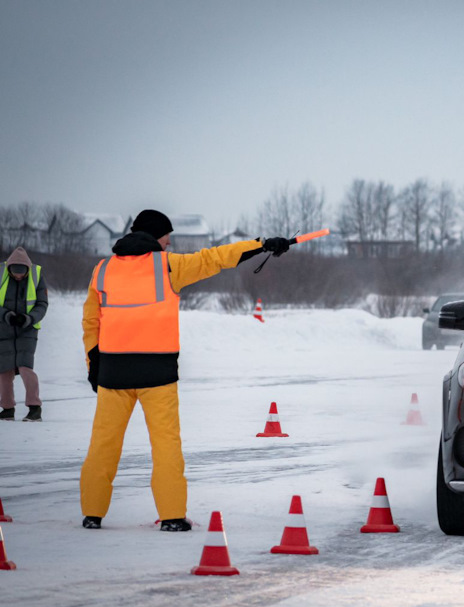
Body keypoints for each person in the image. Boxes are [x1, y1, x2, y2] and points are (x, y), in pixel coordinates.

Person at [80, 209, 293, 531]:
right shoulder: (167, 266)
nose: (169, 243)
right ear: (157, 236)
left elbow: (91, 322)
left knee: (103, 444)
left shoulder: (103, 269)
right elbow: (216, 258)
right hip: (157, 372)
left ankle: (92, 514)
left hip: (113, 371)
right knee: (166, 445)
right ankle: (172, 517)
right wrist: (262, 245)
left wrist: (93, 365)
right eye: (167, 237)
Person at [0, 247, 47, 422]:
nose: (18, 276)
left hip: (27, 329)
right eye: (15, 272)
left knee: (25, 367)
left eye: (21, 272)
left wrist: (29, 319)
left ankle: (35, 408)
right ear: (9, 268)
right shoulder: (1, 273)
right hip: (3, 328)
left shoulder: (36, 275)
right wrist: (6, 315)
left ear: (27, 268)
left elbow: (42, 304)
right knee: (4, 371)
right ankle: (7, 409)